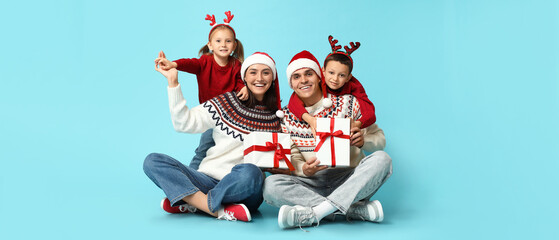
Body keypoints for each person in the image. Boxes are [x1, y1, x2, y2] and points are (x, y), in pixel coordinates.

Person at [144, 52, 283, 222]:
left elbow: (280, 161)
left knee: (251, 172)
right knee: (153, 161)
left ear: (273, 77)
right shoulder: (226, 102)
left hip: (245, 189)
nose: (259, 78)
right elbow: (184, 123)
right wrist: (173, 83)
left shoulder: (279, 116)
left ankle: (191, 201)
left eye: (266, 72)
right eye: (253, 72)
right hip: (207, 180)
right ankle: (218, 210)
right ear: (244, 76)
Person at [263, 50, 392, 229]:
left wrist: (364, 140)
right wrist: (304, 169)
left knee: (382, 159)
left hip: (349, 178)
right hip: (312, 182)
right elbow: (294, 159)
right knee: (270, 184)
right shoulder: (286, 117)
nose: (303, 80)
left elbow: (380, 139)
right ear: (291, 83)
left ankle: (316, 213)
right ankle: (350, 209)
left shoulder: (348, 103)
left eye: (309, 74)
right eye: (296, 76)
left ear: (319, 76)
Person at [154, 11, 248, 170]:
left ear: (234, 45)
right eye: (218, 41)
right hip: (210, 116)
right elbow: (191, 64)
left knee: (231, 152)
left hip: (231, 118)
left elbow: (240, 81)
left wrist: (243, 87)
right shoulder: (205, 61)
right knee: (203, 149)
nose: (223, 45)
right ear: (210, 45)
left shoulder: (236, 65)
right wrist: (174, 64)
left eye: (228, 41)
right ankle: (190, 179)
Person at [287, 35, 376, 134]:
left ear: (348, 77)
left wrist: (357, 124)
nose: (335, 79)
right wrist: (310, 120)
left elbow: (370, 112)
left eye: (341, 75)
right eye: (331, 73)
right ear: (323, 71)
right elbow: (293, 101)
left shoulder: (354, 89)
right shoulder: (319, 82)